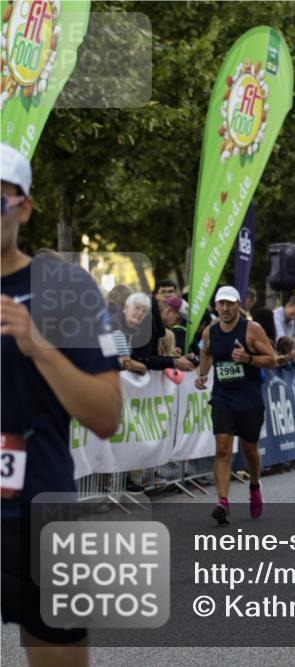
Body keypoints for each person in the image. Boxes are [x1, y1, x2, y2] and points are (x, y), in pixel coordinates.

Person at [2, 143, 122, 667]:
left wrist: (38, 347)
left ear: (24, 207)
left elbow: (107, 416)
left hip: (39, 511)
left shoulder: (63, 288)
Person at [194, 286, 280, 525]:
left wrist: (248, 359)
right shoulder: (209, 332)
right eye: (221, 304)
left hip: (249, 398)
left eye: (230, 304)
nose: (225, 308)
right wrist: (202, 374)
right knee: (222, 447)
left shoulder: (252, 330)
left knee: (249, 449)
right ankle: (222, 502)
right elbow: (206, 353)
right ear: (216, 306)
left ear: (238, 305)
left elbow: (272, 360)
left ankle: (254, 485)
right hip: (222, 397)